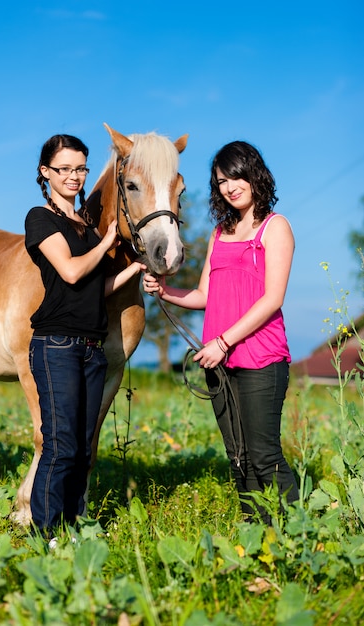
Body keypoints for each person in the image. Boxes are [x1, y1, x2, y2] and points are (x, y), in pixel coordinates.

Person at [143, 140, 299, 523]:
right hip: (219, 361)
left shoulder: (275, 228)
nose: (230, 186)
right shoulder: (219, 232)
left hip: (260, 357)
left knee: (264, 455)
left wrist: (223, 341)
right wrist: (165, 292)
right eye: (221, 181)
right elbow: (203, 294)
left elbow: (272, 299)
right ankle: (255, 532)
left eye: (236, 176)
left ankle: (298, 533)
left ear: (254, 174)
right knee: (239, 457)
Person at [25, 134, 145, 539]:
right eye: (64, 169)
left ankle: (73, 528)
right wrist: (109, 241)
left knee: (84, 448)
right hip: (55, 345)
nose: (74, 177)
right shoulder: (40, 219)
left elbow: (96, 290)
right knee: (59, 446)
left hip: (92, 349)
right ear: (46, 172)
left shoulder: (86, 226)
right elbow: (73, 273)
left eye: (81, 168)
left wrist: (135, 271)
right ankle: (45, 534)